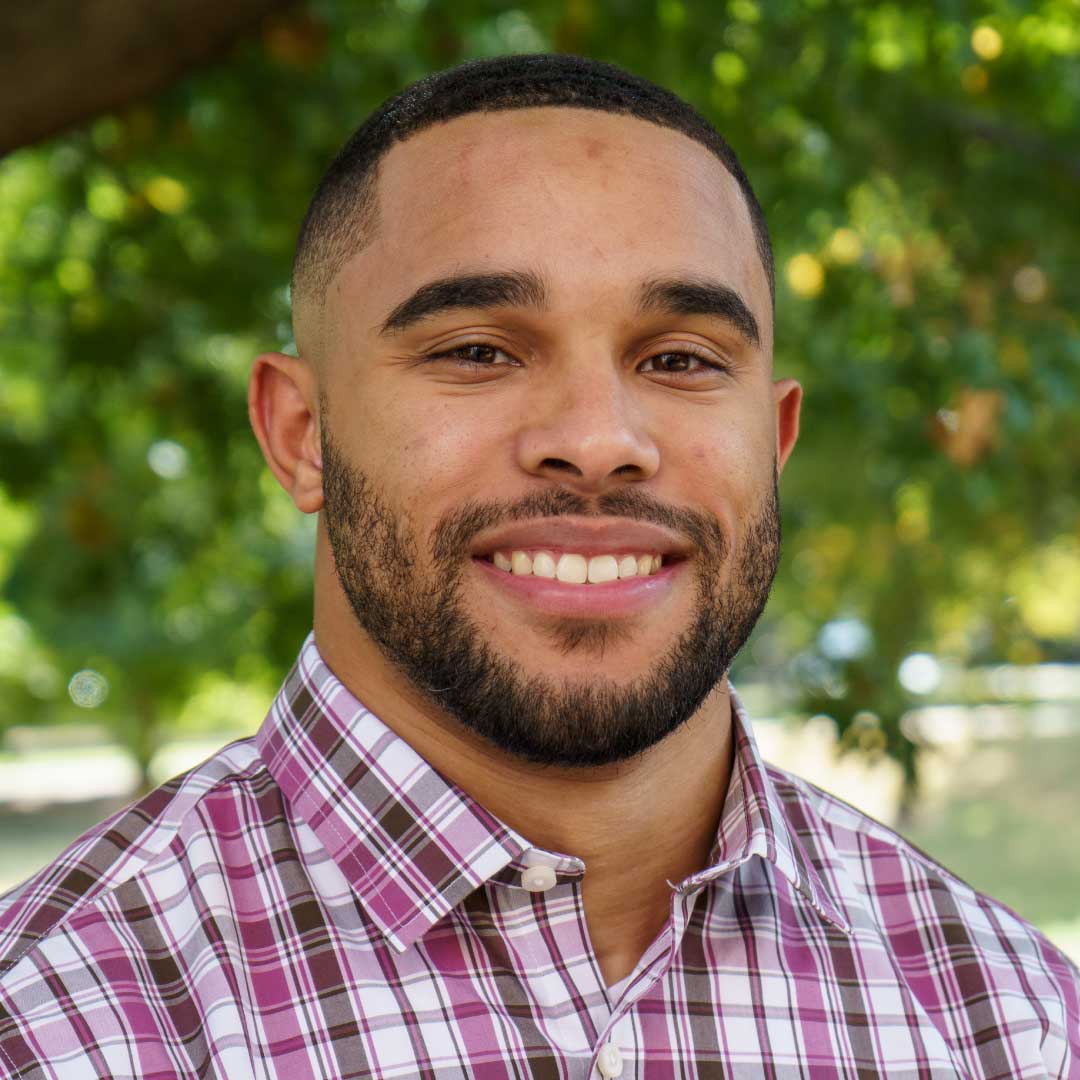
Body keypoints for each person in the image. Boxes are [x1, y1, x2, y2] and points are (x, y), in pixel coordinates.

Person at [0, 53, 1076, 1079]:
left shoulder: (1015, 1023)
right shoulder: (46, 1025)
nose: (599, 438)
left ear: (776, 440)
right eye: (478, 350)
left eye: (681, 359)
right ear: (300, 433)